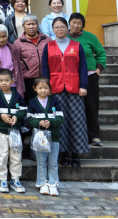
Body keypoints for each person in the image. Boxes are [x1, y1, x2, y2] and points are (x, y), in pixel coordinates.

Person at [41, 17, 89, 168]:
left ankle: (75, 154)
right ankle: (63, 154)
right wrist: (46, 87)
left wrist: (83, 85)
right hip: (55, 89)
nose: (60, 29)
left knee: (76, 121)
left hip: (74, 88)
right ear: (52, 29)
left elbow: (83, 67)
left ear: (67, 28)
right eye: (56, 27)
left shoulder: (77, 45)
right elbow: (45, 69)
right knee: (59, 122)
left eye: (62, 26)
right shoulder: (48, 47)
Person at [68, 12, 107, 147]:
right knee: (74, 108)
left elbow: (101, 53)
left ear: (82, 25)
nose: (76, 25)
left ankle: (94, 135)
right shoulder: (64, 37)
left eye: (79, 23)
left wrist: (99, 68)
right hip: (71, 77)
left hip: (90, 76)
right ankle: (78, 136)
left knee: (91, 106)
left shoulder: (90, 37)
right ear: (69, 23)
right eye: (73, 22)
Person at [0, 69, 27, 194]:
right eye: (1, 80)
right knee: (2, 156)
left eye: (7, 80)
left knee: (16, 156)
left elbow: (23, 110)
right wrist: (0, 115)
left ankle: (15, 179)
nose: (4, 83)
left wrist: (17, 117)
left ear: (12, 81)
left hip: (15, 132)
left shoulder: (17, 96)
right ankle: (2, 180)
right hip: (1, 131)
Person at [27, 77, 63, 197]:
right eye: (40, 88)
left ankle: (53, 184)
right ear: (35, 88)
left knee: (53, 162)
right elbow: (29, 119)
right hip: (40, 138)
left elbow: (60, 118)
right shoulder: (32, 102)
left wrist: (50, 123)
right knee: (41, 162)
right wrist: (39, 123)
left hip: (54, 137)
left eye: (46, 88)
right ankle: (42, 183)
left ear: (50, 89)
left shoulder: (54, 101)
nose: (43, 90)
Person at [13, 14, 52, 104]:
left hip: (45, 78)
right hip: (28, 80)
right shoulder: (18, 43)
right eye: (28, 24)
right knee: (31, 105)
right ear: (23, 26)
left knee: (46, 105)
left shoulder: (47, 40)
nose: (31, 27)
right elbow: (15, 63)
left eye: (33, 24)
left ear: (37, 25)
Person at [0, 24, 25, 97]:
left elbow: (19, 69)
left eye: (4, 36)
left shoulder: (13, 49)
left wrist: (22, 88)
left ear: (7, 36)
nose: (1, 39)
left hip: (14, 85)